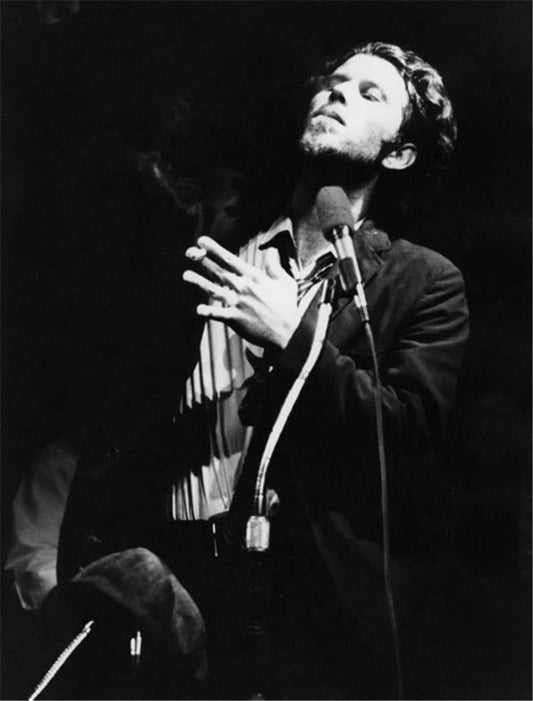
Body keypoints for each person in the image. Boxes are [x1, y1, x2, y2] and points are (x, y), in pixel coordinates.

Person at [7, 41, 469, 700]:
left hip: (305, 602)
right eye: (333, 82)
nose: (336, 92)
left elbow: (407, 434)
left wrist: (293, 337)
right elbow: (109, 421)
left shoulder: (421, 281)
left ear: (398, 153)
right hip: (167, 589)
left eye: (369, 93)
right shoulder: (210, 253)